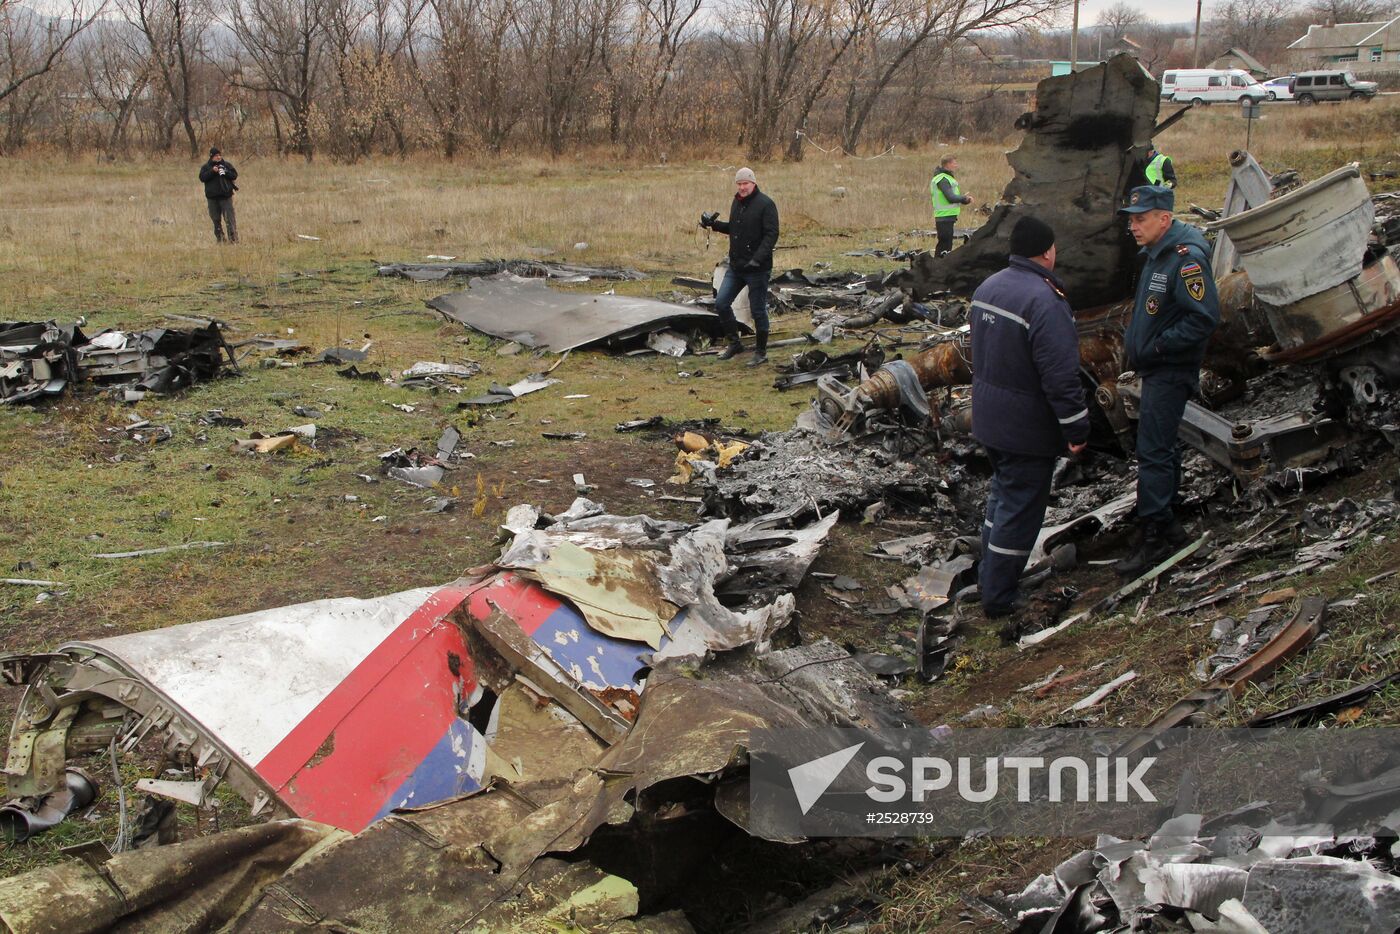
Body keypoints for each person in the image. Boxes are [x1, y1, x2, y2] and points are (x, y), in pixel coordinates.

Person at [970, 216, 1089, 619]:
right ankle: (999, 598)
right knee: (1020, 511)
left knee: (1001, 498)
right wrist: (1076, 427)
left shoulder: (988, 288)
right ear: (1047, 251)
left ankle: (989, 575)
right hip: (1025, 428)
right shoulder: (1044, 301)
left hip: (988, 418)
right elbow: (1060, 375)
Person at [1113, 185, 1220, 576]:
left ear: (1164, 218)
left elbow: (1203, 317)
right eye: (1131, 220)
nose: (1133, 227)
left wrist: (1158, 348)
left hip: (1168, 369)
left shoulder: (1186, 260)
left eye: (1140, 219)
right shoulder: (1157, 255)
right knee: (1162, 447)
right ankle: (1170, 524)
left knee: (1153, 450)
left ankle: (1155, 532)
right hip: (1156, 367)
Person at [699, 167, 779, 366]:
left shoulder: (766, 204)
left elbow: (772, 235)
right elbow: (734, 228)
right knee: (721, 303)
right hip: (736, 267)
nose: (742, 187)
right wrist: (714, 225)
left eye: (746, 183)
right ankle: (735, 343)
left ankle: (761, 353)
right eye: (739, 184)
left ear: (753, 183)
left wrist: (758, 259)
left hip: (757, 269)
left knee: (758, 310)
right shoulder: (737, 202)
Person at [930, 155, 973, 257]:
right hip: (943, 216)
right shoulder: (942, 179)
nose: (956, 165)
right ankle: (938, 266)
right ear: (948, 164)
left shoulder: (947, 178)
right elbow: (950, 197)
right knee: (944, 245)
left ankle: (940, 266)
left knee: (947, 244)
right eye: (954, 163)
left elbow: (953, 197)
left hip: (949, 216)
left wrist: (964, 200)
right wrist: (964, 198)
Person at [199, 147, 239, 243]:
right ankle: (220, 239)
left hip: (226, 197)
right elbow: (202, 178)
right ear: (211, 156)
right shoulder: (206, 167)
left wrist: (225, 172)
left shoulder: (226, 165)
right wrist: (212, 171)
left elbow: (234, 175)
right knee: (216, 220)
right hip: (212, 198)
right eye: (216, 156)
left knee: (229, 219)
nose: (218, 157)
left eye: (219, 155)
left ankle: (233, 240)